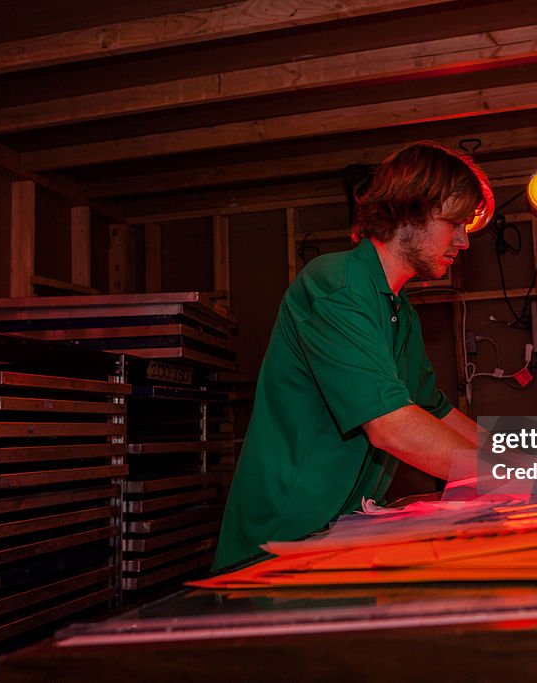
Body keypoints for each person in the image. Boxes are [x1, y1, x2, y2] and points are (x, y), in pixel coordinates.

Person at [212, 141, 495, 571]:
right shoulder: (336, 285)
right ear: (409, 212)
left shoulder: (399, 311)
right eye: (454, 222)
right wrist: (518, 478)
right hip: (280, 545)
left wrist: (531, 460)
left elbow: (433, 412)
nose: (463, 240)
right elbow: (392, 426)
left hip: (339, 536)